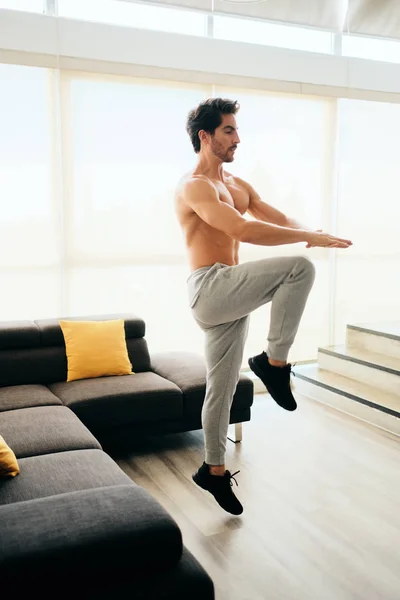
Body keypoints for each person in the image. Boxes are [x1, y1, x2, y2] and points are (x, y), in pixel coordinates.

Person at [174, 98, 352, 516]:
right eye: (229, 130)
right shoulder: (194, 186)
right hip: (210, 287)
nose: (238, 137)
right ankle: (274, 364)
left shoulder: (237, 185)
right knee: (299, 269)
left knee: (221, 388)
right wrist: (306, 242)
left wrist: (312, 231)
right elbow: (241, 228)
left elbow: (273, 216)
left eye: (236, 129)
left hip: (229, 294)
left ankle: (213, 470)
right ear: (206, 136)